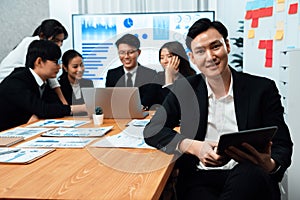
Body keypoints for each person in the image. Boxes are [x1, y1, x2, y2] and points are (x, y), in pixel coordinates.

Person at [143, 18, 293, 200]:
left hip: (249, 174)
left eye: (215, 46)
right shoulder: (184, 89)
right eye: (200, 51)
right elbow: (153, 130)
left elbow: (282, 144)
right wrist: (194, 147)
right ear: (192, 58)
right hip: (199, 177)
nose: (210, 56)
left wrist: (269, 164)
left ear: (227, 46)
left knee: (248, 174)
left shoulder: (262, 89)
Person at [0, 40, 86, 131]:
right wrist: (80, 108)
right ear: (39, 61)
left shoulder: (45, 82)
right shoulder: (17, 81)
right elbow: (43, 109)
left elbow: (55, 106)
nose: (59, 67)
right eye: (55, 62)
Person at [0, 19, 69, 105]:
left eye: (61, 41)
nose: (59, 45)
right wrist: (65, 104)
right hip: (7, 84)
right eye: (55, 40)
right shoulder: (32, 43)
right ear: (42, 36)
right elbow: (50, 78)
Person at [105, 33, 157, 109]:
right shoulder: (112, 74)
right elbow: (109, 101)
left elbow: (151, 102)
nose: (126, 56)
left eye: (131, 52)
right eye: (122, 52)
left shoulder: (151, 75)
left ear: (138, 53)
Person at [149, 41, 196, 106]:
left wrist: (169, 77)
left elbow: (173, 105)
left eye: (169, 56)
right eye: (162, 58)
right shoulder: (159, 76)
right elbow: (147, 101)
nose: (165, 61)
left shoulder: (191, 78)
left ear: (179, 58)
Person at [58, 49, 93, 115]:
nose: (80, 69)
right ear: (65, 68)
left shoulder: (88, 83)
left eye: (82, 65)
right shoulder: (59, 86)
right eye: (75, 66)